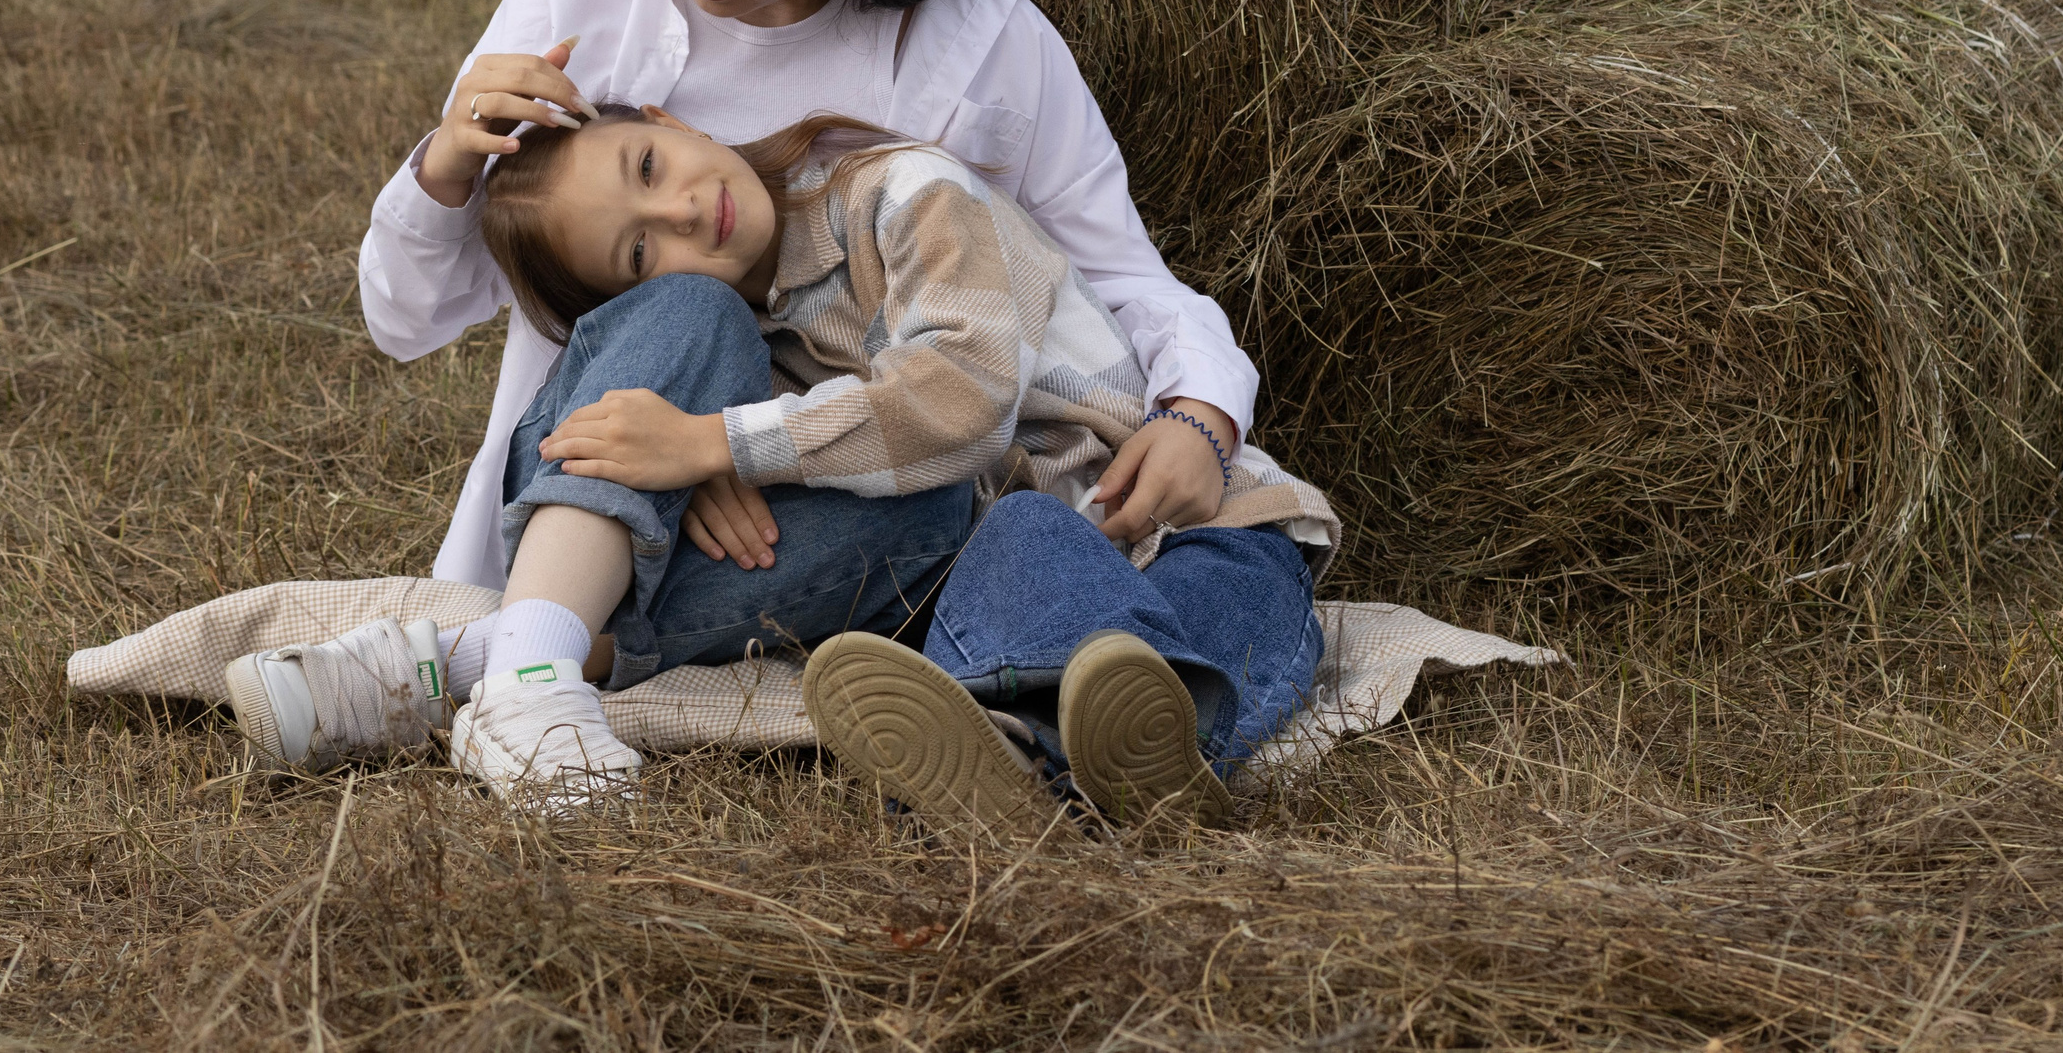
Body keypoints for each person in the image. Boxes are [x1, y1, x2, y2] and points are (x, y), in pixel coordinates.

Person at [355, 0, 1256, 603]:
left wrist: (1202, 411)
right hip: (609, 474)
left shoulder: (979, 43)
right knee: (685, 313)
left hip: (866, 490)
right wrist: (448, 165)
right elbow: (406, 319)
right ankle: (539, 641)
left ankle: (564, 660)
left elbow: (1114, 272)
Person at [232, 106, 1337, 818]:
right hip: (953, 563)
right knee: (720, 348)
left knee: (1141, 604)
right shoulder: (720, 338)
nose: (679, 209)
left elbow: (956, 407)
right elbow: (859, 479)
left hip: (1185, 523)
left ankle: (467, 665)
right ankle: (527, 669)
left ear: (670, 120)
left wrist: (715, 443)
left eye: (651, 162)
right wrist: (692, 448)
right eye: (635, 251)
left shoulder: (906, 193)